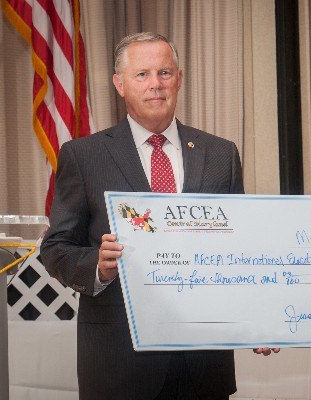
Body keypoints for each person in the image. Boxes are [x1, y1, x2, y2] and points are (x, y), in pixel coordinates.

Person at [40, 32, 243, 400]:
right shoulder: (84, 156)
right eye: (142, 74)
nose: (156, 84)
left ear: (179, 78)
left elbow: (241, 249)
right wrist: (98, 266)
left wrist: (257, 321)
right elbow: (56, 247)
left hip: (204, 365)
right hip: (119, 366)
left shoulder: (221, 155)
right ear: (120, 84)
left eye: (165, 73)